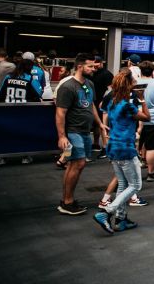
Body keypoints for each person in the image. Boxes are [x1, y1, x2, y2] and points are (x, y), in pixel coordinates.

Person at [92, 71, 150, 235]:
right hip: (125, 147)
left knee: (123, 184)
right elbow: (146, 117)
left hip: (114, 146)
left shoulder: (112, 103)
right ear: (129, 85)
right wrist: (142, 98)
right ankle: (107, 212)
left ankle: (120, 219)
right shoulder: (127, 105)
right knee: (135, 185)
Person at [55, 53, 108, 215]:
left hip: (85, 132)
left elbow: (91, 104)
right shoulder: (68, 87)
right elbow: (60, 113)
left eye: (94, 66)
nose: (94, 68)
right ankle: (67, 202)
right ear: (80, 66)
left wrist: (99, 123)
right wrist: (62, 136)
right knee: (76, 163)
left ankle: (67, 200)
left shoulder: (89, 84)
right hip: (73, 132)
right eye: (90, 66)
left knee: (75, 164)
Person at [91, 56, 113, 159]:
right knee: (96, 124)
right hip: (93, 102)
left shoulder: (107, 74)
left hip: (102, 103)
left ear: (101, 63)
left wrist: (104, 101)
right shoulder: (92, 73)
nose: (93, 67)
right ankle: (96, 144)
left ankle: (105, 147)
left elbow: (110, 89)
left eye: (95, 65)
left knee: (102, 125)